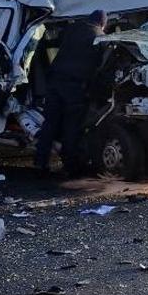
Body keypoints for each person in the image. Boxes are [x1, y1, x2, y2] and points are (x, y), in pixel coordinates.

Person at [34, 9, 107, 176]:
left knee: (50, 124)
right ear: (102, 23)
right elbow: (100, 67)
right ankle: (70, 166)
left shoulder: (72, 29)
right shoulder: (99, 37)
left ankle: (40, 161)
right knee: (71, 126)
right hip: (74, 88)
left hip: (55, 82)